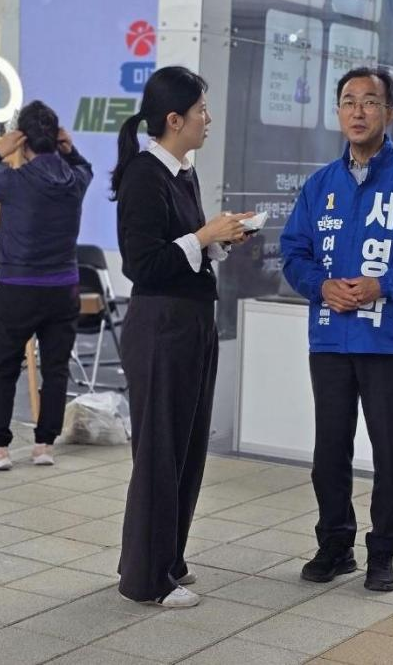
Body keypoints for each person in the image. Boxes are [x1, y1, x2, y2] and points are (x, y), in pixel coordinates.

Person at [280, 67, 393, 592]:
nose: (358, 111)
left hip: (387, 339)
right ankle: (335, 546)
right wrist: (320, 286)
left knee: (388, 453)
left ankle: (383, 553)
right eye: (348, 101)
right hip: (330, 339)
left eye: (370, 102)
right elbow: (293, 253)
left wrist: (385, 285)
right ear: (338, 112)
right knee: (329, 452)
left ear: (390, 112)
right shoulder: (319, 185)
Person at [111, 66, 252, 609]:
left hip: (191, 319)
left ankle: (163, 559)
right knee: (159, 451)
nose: (207, 119)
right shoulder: (144, 175)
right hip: (161, 325)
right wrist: (202, 235)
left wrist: (217, 240)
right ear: (174, 119)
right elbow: (142, 264)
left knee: (187, 448)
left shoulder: (183, 172)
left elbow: (181, 249)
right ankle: (146, 580)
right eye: (201, 111)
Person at [0, 101, 93, 470]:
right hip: (64, 289)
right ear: (56, 138)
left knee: (3, 366)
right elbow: (86, 168)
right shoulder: (75, 181)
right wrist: (72, 151)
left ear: (22, 139)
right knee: (56, 368)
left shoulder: (12, 181)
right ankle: (44, 446)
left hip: (17, 287)